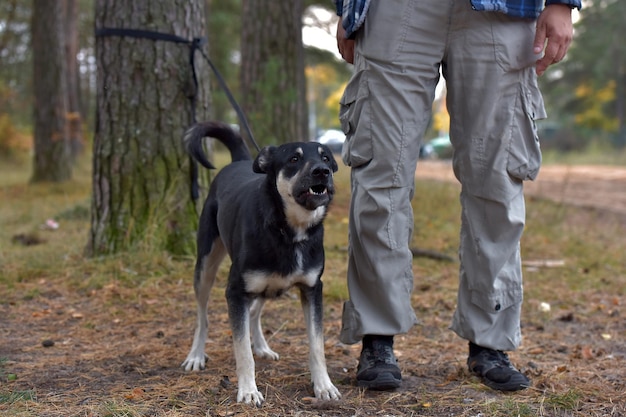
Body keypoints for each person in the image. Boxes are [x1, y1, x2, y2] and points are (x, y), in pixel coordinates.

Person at [334, 0, 581, 392]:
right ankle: (377, 337)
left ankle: (490, 341)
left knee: (497, 179)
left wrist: (562, 2)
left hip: (503, 12)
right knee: (382, 174)